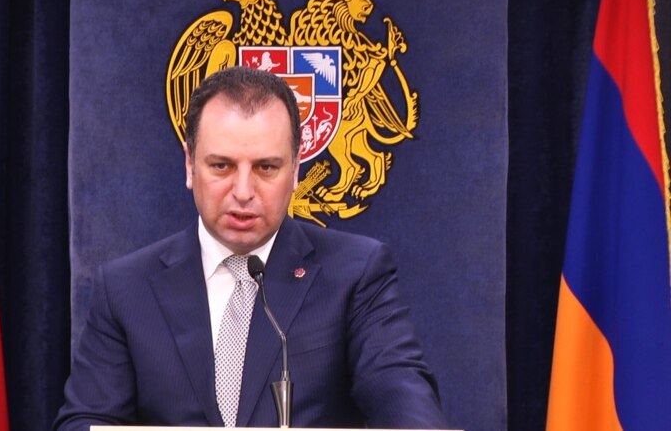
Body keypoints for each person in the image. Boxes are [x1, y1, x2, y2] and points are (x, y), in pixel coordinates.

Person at [53, 66, 448, 430]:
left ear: (295, 170)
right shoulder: (126, 289)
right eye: (221, 166)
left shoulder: (356, 273)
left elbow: (401, 391)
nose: (243, 192)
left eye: (266, 168)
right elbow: (85, 420)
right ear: (190, 165)